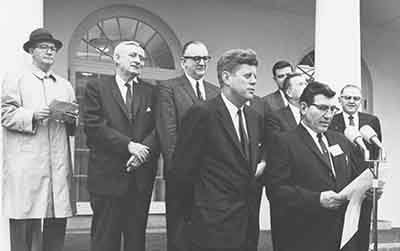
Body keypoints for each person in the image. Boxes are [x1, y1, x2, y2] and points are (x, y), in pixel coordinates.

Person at [170, 48, 265, 251]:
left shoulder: (254, 117)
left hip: (246, 225)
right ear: (226, 77)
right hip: (209, 226)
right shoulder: (202, 113)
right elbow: (181, 172)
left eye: (255, 76)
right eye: (247, 76)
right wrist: (190, 221)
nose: (254, 81)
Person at [264, 81, 364, 251]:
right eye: (322, 108)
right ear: (303, 108)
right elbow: (276, 191)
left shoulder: (340, 140)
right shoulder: (284, 142)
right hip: (304, 236)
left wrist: (367, 190)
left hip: (341, 235)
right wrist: (317, 199)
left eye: (332, 109)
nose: (328, 115)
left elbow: (350, 180)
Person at [2, 28, 77, 251]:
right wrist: (34, 114)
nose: (49, 51)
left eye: (53, 48)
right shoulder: (16, 78)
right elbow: (5, 114)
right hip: (28, 164)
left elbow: (73, 124)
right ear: (32, 51)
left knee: (56, 221)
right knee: (25, 221)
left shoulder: (65, 85)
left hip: (58, 163)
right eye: (44, 47)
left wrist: (71, 117)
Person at [82, 41, 159, 251]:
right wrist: (129, 146)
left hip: (140, 179)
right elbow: (94, 126)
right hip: (107, 178)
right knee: (105, 241)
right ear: (116, 58)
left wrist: (142, 152)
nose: (138, 61)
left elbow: (157, 129)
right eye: (133, 55)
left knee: (136, 242)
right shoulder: (97, 87)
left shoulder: (151, 92)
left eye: (142, 58)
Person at [155, 40, 219, 251]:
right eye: (196, 58)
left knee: (205, 233)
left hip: (210, 176)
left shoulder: (215, 91)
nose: (201, 62)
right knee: (179, 232)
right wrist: (179, 172)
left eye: (205, 58)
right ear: (183, 62)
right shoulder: (169, 88)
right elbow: (168, 133)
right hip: (180, 174)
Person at [330, 84, 382, 251]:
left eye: (356, 98)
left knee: (363, 230)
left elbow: (376, 153)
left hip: (364, 187)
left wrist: (375, 182)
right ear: (340, 100)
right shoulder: (332, 120)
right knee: (340, 233)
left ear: (361, 101)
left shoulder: (371, 121)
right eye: (347, 97)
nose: (352, 101)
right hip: (341, 186)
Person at [263, 72, 308, 251]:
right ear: (289, 92)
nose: (306, 86)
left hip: (309, 187)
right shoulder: (276, 117)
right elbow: (277, 148)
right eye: (300, 83)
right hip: (286, 186)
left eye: (306, 82)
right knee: (286, 239)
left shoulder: (313, 117)